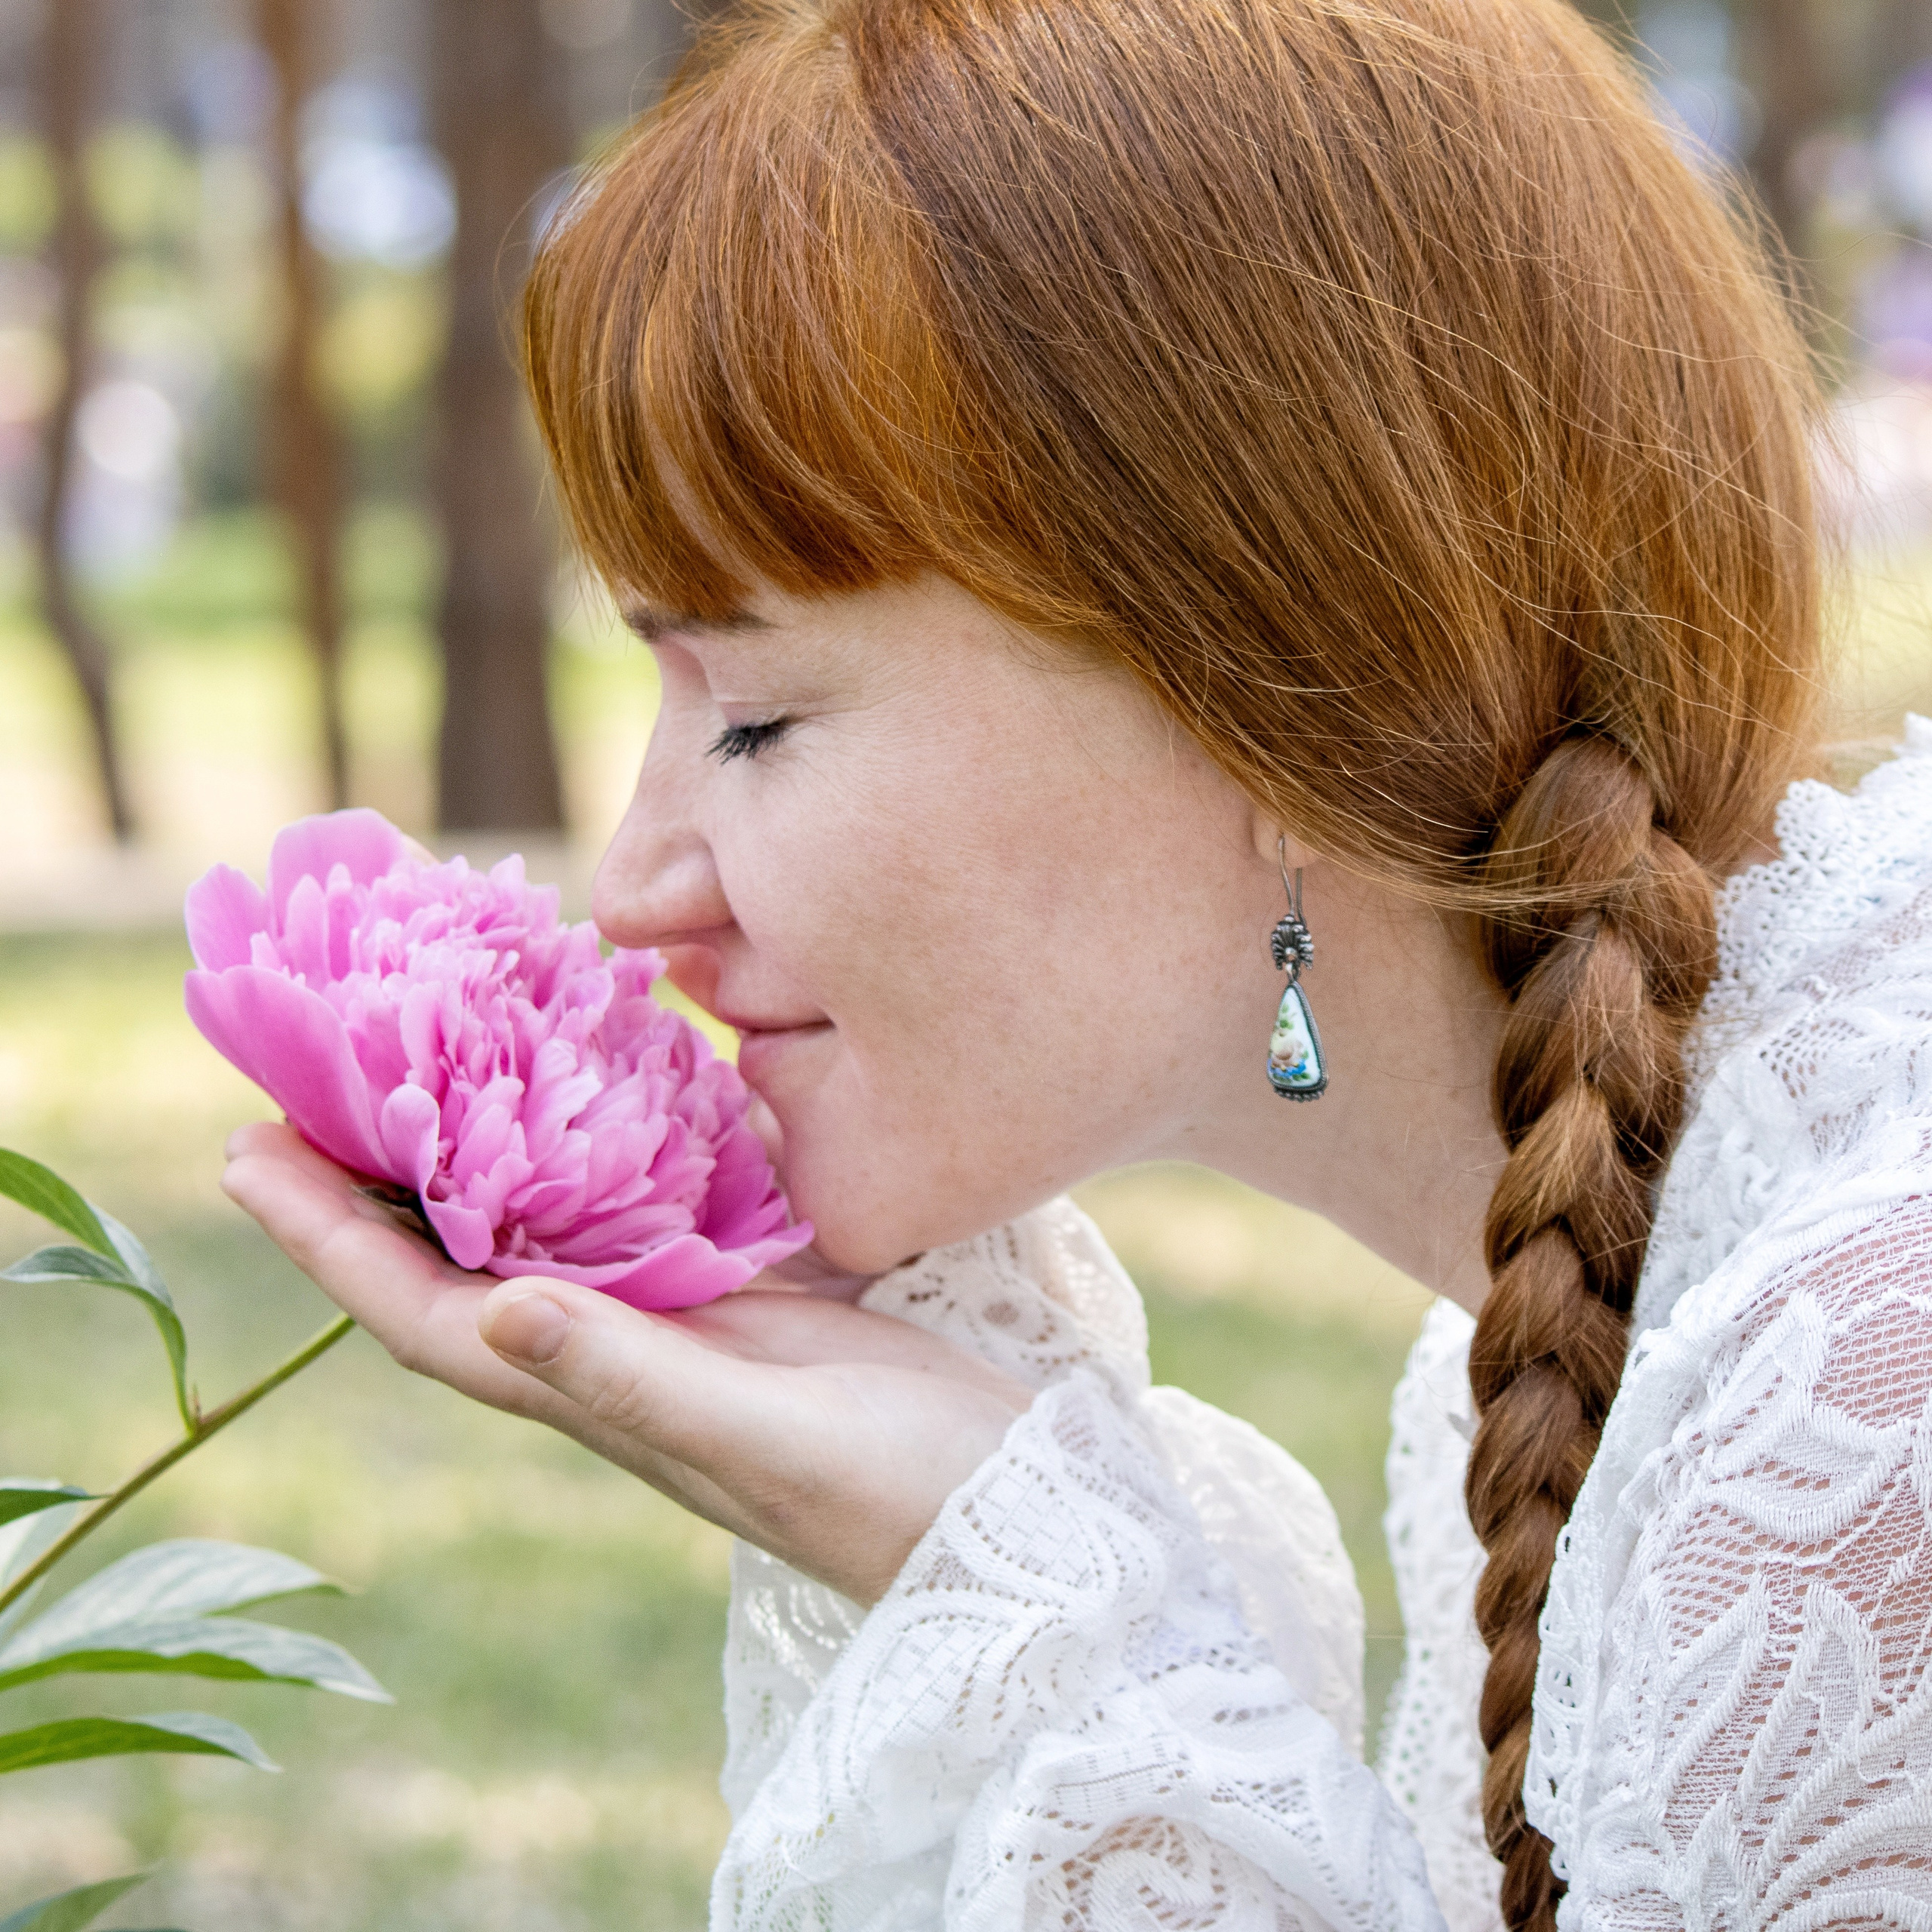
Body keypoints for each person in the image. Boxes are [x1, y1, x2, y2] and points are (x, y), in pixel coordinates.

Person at [221, 0, 1932, 1924]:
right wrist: (964, 1511)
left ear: (1284, 695)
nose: (634, 888)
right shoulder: (1589, 1326)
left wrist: (1068, 1628)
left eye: (762, 711)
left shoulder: (1866, 1406)